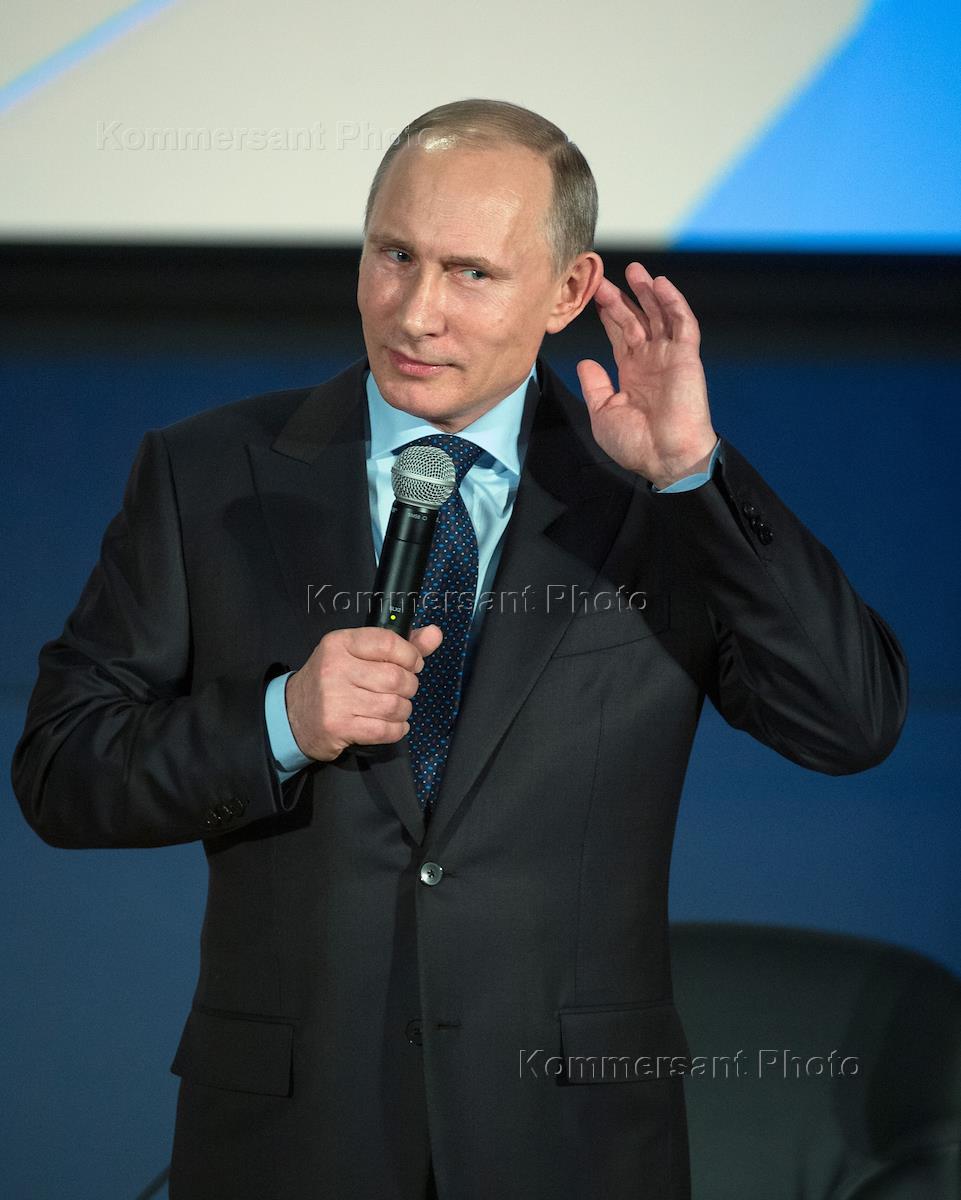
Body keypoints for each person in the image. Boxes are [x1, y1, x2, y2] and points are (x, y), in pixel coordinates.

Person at [12, 99, 907, 1200]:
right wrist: (281, 722)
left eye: (470, 273)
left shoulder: (652, 499)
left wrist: (692, 473)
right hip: (291, 1141)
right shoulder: (206, 474)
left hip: (571, 1145)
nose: (415, 311)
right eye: (394, 255)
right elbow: (62, 772)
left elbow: (850, 722)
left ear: (567, 293)